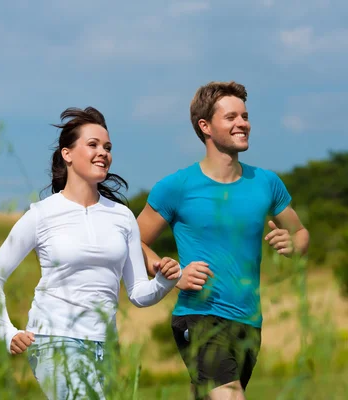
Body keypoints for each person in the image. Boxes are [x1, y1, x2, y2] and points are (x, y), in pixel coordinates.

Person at [0, 106, 181, 400]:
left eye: (108, 147)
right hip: (55, 341)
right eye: (93, 145)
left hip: (106, 348)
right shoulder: (42, 214)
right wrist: (6, 332)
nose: (104, 153)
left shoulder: (123, 217)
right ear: (67, 154)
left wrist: (164, 281)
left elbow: (138, 293)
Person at [137, 81, 310, 399]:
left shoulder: (266, 182)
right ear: (205, 126)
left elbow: (300, 232)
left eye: (244, 116)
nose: (242, 123)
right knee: (229, 394)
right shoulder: (177, 186)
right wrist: (172, 275)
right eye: (231, 117)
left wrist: (294, 244)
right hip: (200, 315)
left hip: (249, 320)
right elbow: (132, 244)